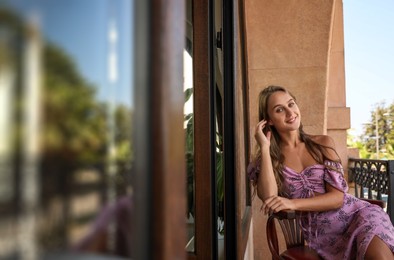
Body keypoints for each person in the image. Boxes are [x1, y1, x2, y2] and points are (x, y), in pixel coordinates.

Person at [247, 85, 394, 260]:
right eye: (279, 109)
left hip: (359, 216)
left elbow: (338, 198)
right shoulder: (267, 160)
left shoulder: (322, 144)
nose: (290, 112)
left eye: (291, 104)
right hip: (325, 237)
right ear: (268, 120)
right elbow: (269, 198)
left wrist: (292, 203)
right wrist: (264, 148)